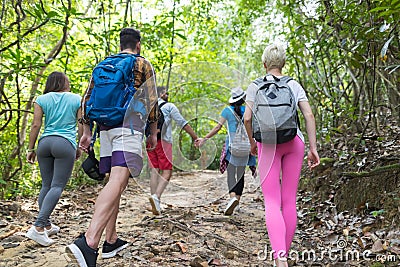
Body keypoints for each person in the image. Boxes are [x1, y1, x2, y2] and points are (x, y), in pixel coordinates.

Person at [66, 28, 158, 267]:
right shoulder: (142, 64)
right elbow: (151, 100)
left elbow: (88, 98)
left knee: (114, 182)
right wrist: (154, 132)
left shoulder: (104, 64)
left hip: (105, 129)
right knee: (118, 180)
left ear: (120, 44)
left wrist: (86, 132)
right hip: (129, 127)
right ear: (138, 44)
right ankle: (89, 241)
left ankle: (111, 239)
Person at [243, 43, 320, 267]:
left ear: (264, 64)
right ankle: (283, 255)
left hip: (267, 145)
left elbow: (247, 118)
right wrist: (313, 148)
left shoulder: (255, 86)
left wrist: (252, 144)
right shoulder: (293, 85)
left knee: (271, 201)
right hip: (293, 143)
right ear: (283, 64)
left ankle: (280, 259)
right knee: (289, 201)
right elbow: (309, 115)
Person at [26, 71, 82, 246]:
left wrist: (30, 148)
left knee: (46, 185)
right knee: (57, 186)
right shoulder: (76, 98)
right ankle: (38, 226)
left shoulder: (41, 99)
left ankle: (47, 224)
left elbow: (36, 124)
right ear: (64, 82)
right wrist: (80, 145)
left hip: (44, 143)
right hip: (65, 144)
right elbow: (81, 123)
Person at [196, 87, 256, 216]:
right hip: (245, 146)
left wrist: (204, 139)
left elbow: (218, 127)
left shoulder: (227, 111)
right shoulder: (248, 111)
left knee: (231, 173)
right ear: (243, 99)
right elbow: (253, 126)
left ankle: (232, 198)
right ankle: (238, 202)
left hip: (232, 147)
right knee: (240, 174)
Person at [147, 86, 199, 215]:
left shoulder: (148, 106)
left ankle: (154, 201)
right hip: (164, 142)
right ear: (160, 94)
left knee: (154, 170)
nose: (167, 94)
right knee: (167, 171)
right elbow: (182, 123)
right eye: (165, 92)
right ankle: (156, 197)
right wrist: (195, 137)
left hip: (149, 142)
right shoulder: (169, 106)